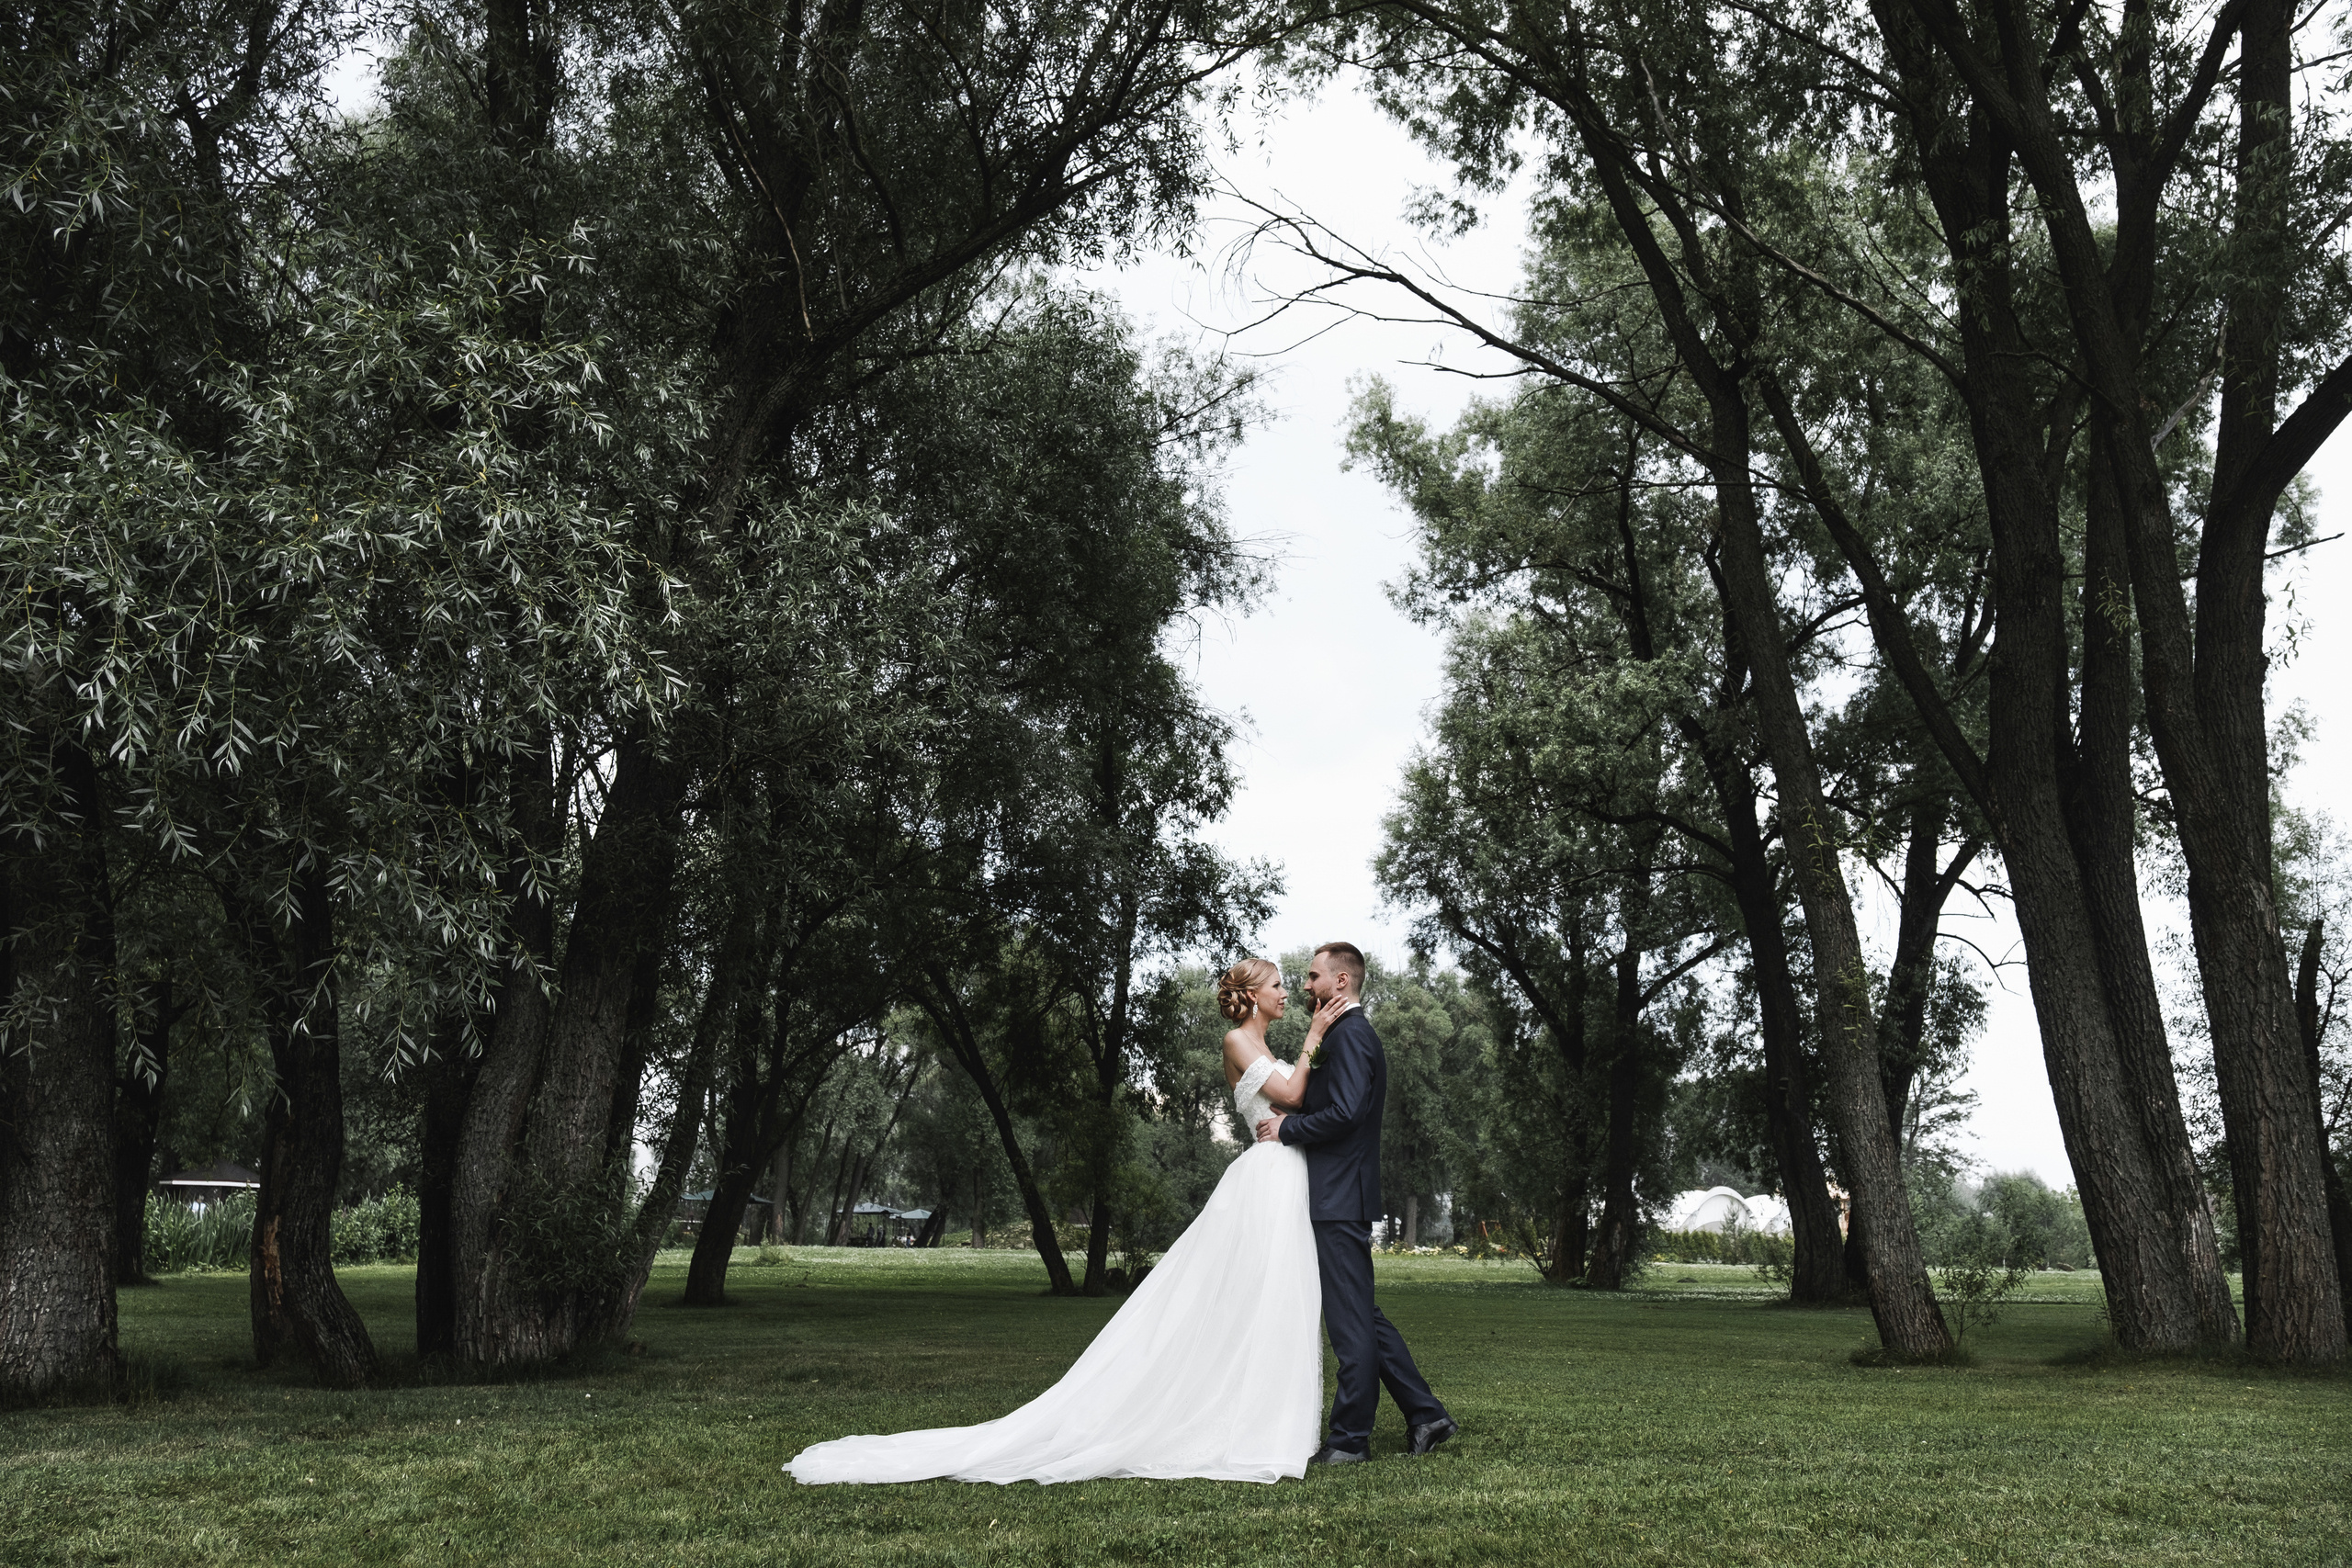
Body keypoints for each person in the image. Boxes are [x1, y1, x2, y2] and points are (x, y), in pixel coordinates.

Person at [783, 957, 1346, 1484]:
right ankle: (1237, 1424)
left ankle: (1259, 1417)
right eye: (1276, 984)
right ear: (1250, 996)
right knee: (1250, 1294)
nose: (1285, 992)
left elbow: (1302, 1099)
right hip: (1266, 1177)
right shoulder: (1236, 1041)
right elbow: (1294, 1092)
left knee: (1273, 1296)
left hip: (1283, 1171)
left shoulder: (1265, 1044)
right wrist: (1315, 1038)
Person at [1255, 942, 1457, 1464]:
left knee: (1350, 1327)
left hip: (1339, 1195)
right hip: (1340, 1193)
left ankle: (1348, 1442)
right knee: (1361, 1316)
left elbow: (1344, 1114)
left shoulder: (1350, 1037)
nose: (1304, 985)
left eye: (1313, 976)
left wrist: (1286, 1128)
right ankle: (1427, 1415)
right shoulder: (1342, 1034)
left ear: (1340, 982)